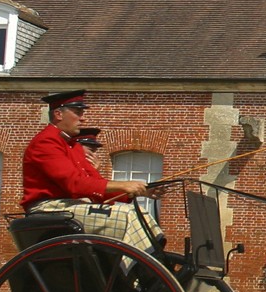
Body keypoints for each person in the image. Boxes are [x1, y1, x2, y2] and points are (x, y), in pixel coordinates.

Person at [22, 91, 163, 254]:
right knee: (127, 215)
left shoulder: (72, 145)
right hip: (50, 209)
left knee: (141, 215)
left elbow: (95, 185)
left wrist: (140, 192)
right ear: (58, 114)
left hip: (70, 207)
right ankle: (141, 271)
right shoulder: (46, 142)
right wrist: (125, 185)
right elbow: (75, 184)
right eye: (78, 113)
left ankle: (153, 263)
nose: (83, 118)